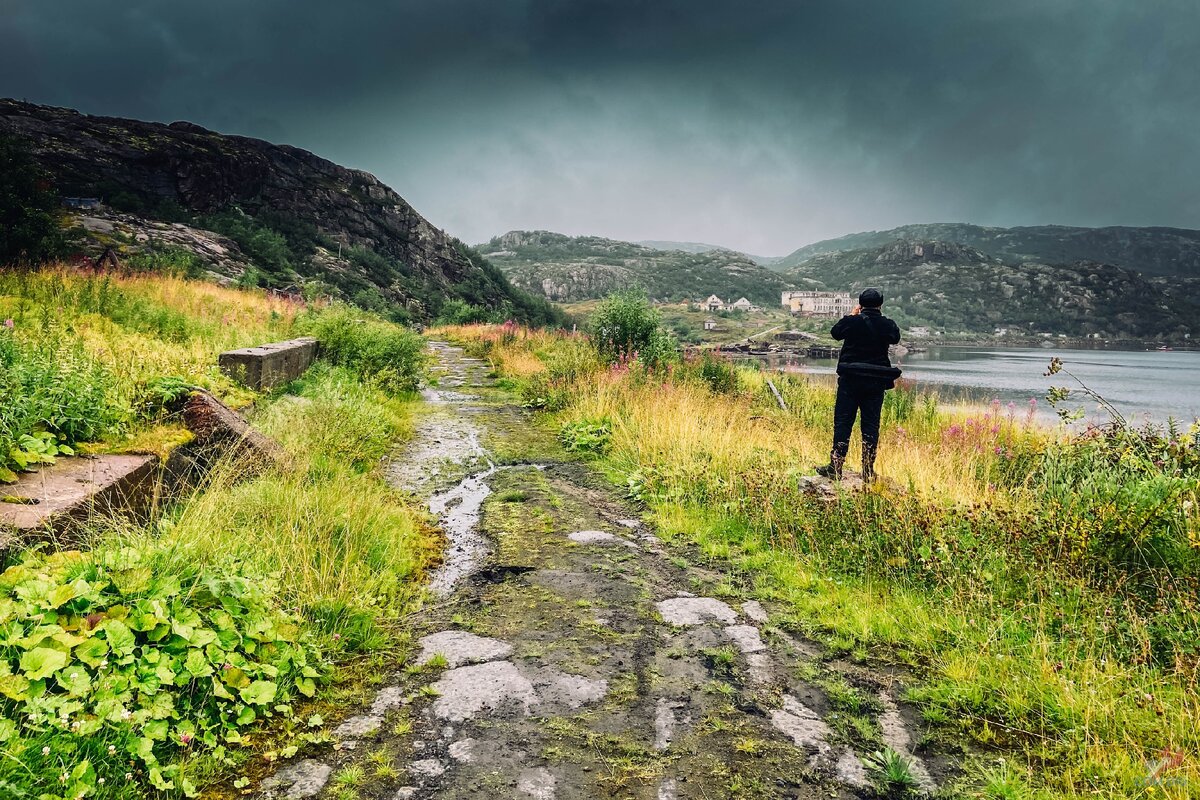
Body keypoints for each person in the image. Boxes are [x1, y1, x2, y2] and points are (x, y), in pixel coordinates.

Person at [815, 288, 901, 481]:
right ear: (880, 304)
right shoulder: (887, 324)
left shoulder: (851, 321)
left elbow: (835, 333)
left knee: (843, 422)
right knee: (871, 425)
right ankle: (868, 470)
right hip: (875, 383)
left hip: (850, 381)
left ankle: (835, 466)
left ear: (860, 305)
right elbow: (895, 337)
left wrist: (852, 316)